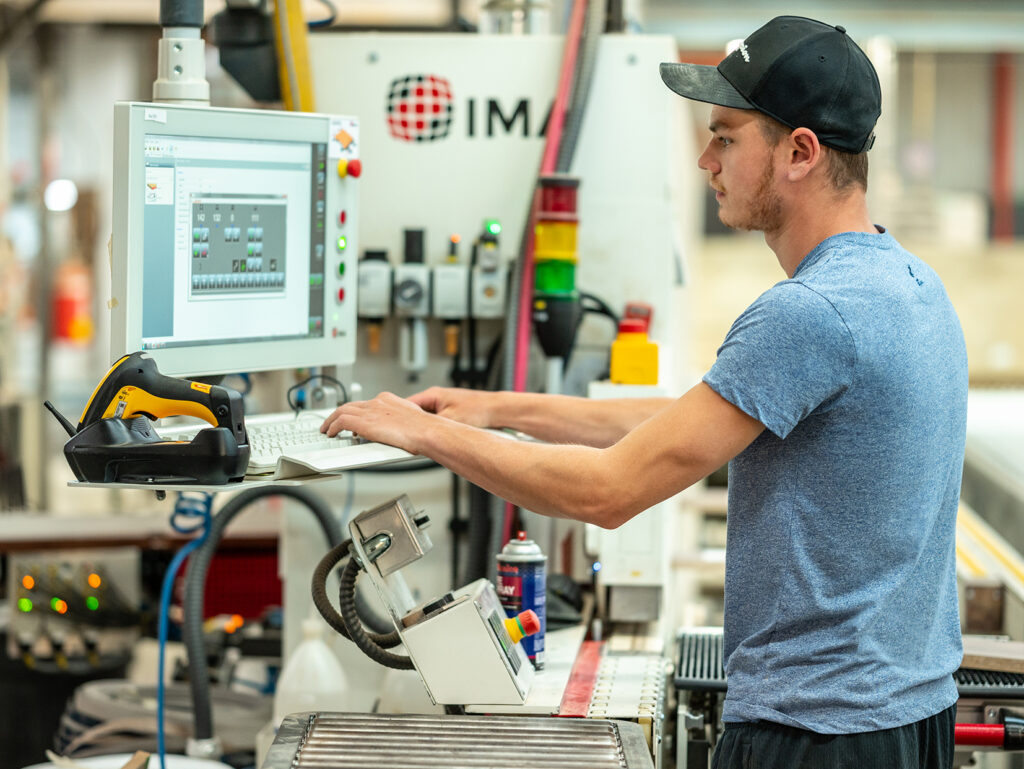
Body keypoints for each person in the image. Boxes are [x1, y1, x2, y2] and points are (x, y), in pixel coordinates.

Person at [322, 15, 966, 769]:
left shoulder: (808, 314)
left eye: (725, 136)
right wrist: (496, 407)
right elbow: (699, 414)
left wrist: (425, 434)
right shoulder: (909, 283)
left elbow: (608, 491)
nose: (704, 159)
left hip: (817, 735)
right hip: (908, 716)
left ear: (799, 152)